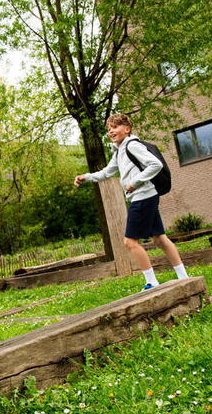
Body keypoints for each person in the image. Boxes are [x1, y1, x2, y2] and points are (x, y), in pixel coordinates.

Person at [73, 113, 189, 291]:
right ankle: (183, 277)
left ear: (127, 129)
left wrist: (135, 183)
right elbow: (106, 172)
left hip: (143, 196)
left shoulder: (132, 146)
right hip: (145, 196)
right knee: (160, 238)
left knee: (130, 242)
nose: (111, 131)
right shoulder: (119, 151)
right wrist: (85, 177)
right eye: (109, 129)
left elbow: (155, 164)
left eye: (115, 127)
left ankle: (152, 283)